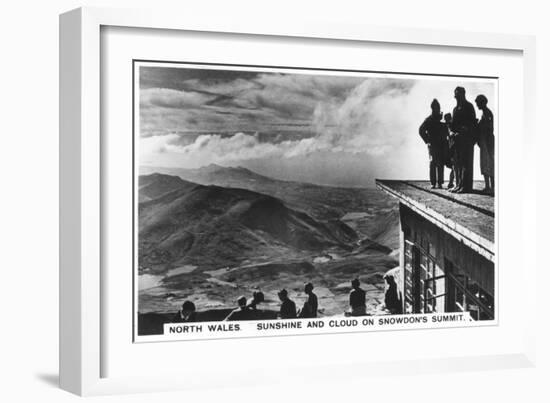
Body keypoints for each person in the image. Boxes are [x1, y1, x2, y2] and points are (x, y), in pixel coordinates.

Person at [451, 86, 477, 193]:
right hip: (458, 140)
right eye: (455, 96)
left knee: (467, 164)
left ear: (463, 94)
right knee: (459, 163)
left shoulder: (469, 106)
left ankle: (466, 186)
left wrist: (466, 129)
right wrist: (454, 132)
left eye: (458, 95)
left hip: (467, 140)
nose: (456, 97)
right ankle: (460, 184)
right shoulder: (455, 109)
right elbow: (453, 125)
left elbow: (473, 123)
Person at [419, 99, 447, 189]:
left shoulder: (441, 118)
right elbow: (421, 130)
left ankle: (440, 182)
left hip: (441, 144)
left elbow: (446, 128)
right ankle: (433, 182)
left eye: (438, 107)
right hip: (432, 144)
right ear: (432, 108)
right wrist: (427, 141)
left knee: (441, 163)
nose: (437, 109)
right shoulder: (428, 120)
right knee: (433, 163)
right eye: (436, 108)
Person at [475, 94, 495, 194]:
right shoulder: (485, 113)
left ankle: (492, 187)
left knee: (489, 164)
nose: (477, 104)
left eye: (478, 102)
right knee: (485, 164)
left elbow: (489, 129)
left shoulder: (487, 113)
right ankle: (488, 186)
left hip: (488, 142)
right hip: (484, 142)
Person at [444, 113, 456, 189]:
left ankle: (451, 182)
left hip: (450, 149)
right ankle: (451, 182)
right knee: (454, 167)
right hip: (451, 149)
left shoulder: (447, 127)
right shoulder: (450, 127)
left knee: (453, 167)